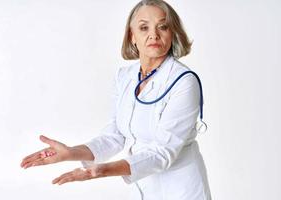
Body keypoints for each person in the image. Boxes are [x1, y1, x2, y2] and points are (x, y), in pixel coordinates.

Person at [20, 0, 212, 199]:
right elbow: (115, 136)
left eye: (162, 27)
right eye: (144, 27)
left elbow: (163, 153)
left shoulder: (184, 81)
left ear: (172, 33)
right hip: (142, 188)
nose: (153, 34)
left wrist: (99, 170)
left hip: (181, 190)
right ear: (132, 36)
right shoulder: (125, 77)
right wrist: (71, 153)